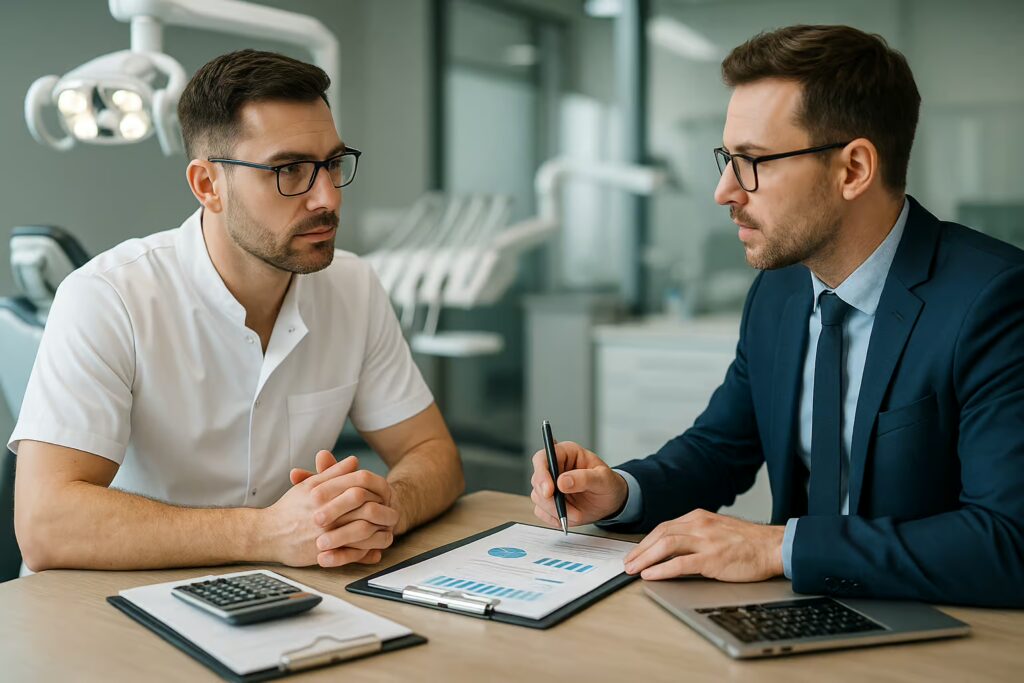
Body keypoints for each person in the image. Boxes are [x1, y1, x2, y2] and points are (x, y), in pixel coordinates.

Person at [530, 25, 1024, 607]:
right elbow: (718, 448)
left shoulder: (995, 300)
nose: (724, 191)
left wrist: (777, 548)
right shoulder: (781, 290)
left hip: (936, 624)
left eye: (753, 161)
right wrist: (620, 491)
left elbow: (1008, 542)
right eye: (728, 159)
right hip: (791, 614)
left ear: (853, 169)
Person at [12, 50, 464, 571]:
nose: (327, 198)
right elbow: (45, 524)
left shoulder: (353, 286)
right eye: (289, 170)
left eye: (333, 164)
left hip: (285, 588)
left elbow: (434, 454)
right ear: (208, 186)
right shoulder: (108, 296)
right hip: (106, 599)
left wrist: (385, 509)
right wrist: (266, 533)